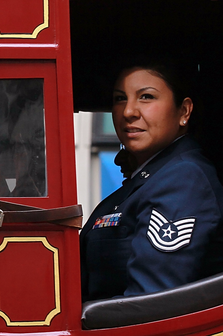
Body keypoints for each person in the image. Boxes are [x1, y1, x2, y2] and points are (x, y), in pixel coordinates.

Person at [80, 64, 223, 302]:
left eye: (146, 97)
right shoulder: (151, 176)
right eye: (119, 98)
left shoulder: (183, 178)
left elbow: (152, 301)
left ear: (184, 111)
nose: (128, 111)